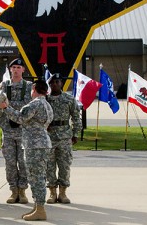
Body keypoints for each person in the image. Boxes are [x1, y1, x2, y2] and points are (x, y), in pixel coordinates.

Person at [0, 80, 53, 221]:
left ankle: (40, 209)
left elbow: (20, 118)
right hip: (42, 143)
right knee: (39, 176)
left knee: (36, 177)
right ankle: (37, 206)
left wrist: (6, 107)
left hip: (34, 145)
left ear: (34, 89)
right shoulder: (47, 104)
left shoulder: (34, 104)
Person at [0, 58, 32, 204]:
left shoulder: (29, 86)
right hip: (8, 129)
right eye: (14, 67)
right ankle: (13, 191)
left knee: (23, 162)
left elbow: (28, 105)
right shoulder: (4, 85)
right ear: (10, 69)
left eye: (19, 67)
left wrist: (8, 105)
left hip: (23, 130)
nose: (16, 70)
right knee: (10, 163)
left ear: (23, 70)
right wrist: (6, 105)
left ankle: (23, 191)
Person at [46, 73, 81, 204]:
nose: (55, 84)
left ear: (61, 83)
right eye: (52, 83)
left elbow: (76, 116)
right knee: (49, 165)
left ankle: (63, 193)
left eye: (57, 82)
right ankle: (52, 192)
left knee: (64, 165)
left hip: (65, 136)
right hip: (49, 137)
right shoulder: (45, 99)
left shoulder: (68, 98)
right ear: (49, 85)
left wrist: (76, 133)